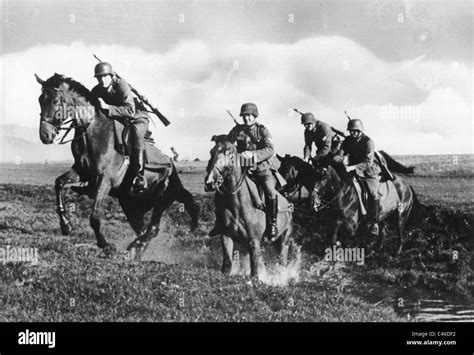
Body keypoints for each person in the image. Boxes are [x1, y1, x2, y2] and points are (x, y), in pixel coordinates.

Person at [91, 62, 149, 194]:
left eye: (105, 76)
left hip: (137, 116)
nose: (101, 80)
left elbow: (130, 110)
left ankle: (139, 176)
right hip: (117, 118)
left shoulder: (121, 84)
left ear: (111, 76)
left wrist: (107, 108)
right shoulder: (97, 90)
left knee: (136, 132)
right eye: (99, 77)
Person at [227, 103, 281, 240]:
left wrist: (254, 155)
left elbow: (270, 150)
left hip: (261, 169)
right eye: (244, 116)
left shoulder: (262, 130)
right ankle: (225, 223)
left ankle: (272, 224)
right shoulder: (237, 130)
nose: (246, 118)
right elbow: (228, 144)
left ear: (255, 116)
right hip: (243, 170)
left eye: (249, 116)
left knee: (270, 191)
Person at [334, 118, 381, 235]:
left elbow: (368, 162)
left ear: (360, 131)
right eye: (351, 131)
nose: (352, 133)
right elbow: (341, 152)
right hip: (352, 168)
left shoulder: (368, 142)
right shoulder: (348, 140)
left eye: (355, 131)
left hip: (369, 170)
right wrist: (337, 158)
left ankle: (374, 222)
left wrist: (352, 167)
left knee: (373, 192)